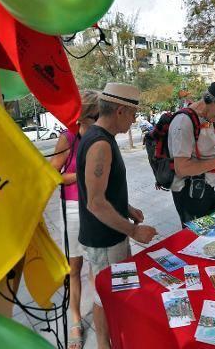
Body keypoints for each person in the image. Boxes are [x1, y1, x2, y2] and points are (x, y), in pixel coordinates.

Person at [77, 83, 158, 349]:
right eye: (133, 114)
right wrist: (133, 231)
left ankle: (111, 341)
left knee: (109, 294)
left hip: (108, 235)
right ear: (121, 110)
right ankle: (105, 344)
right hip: (105, 238)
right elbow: (96, 203)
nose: (135, 121)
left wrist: (126, 207)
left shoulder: (101, 137)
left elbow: (105, 191)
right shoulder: (100, 143)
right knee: (107, 296)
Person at [49, 90, 100, 349]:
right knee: (75, 269)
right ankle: (76, 320)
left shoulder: (99, 136)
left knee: (97, 266)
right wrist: (83, 175)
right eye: (98, 116)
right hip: (72, 208)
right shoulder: (68, 136)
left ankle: (102, 315)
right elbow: (53, 175)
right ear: (86, 116)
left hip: (96, 207)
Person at [168, 80, 215, 224]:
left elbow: (203, 150)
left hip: (204, 188)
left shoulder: (204, 117)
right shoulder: (183, 122)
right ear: (209, 99)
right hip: (189, 193)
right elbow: (182, 169)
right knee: (198, 240)